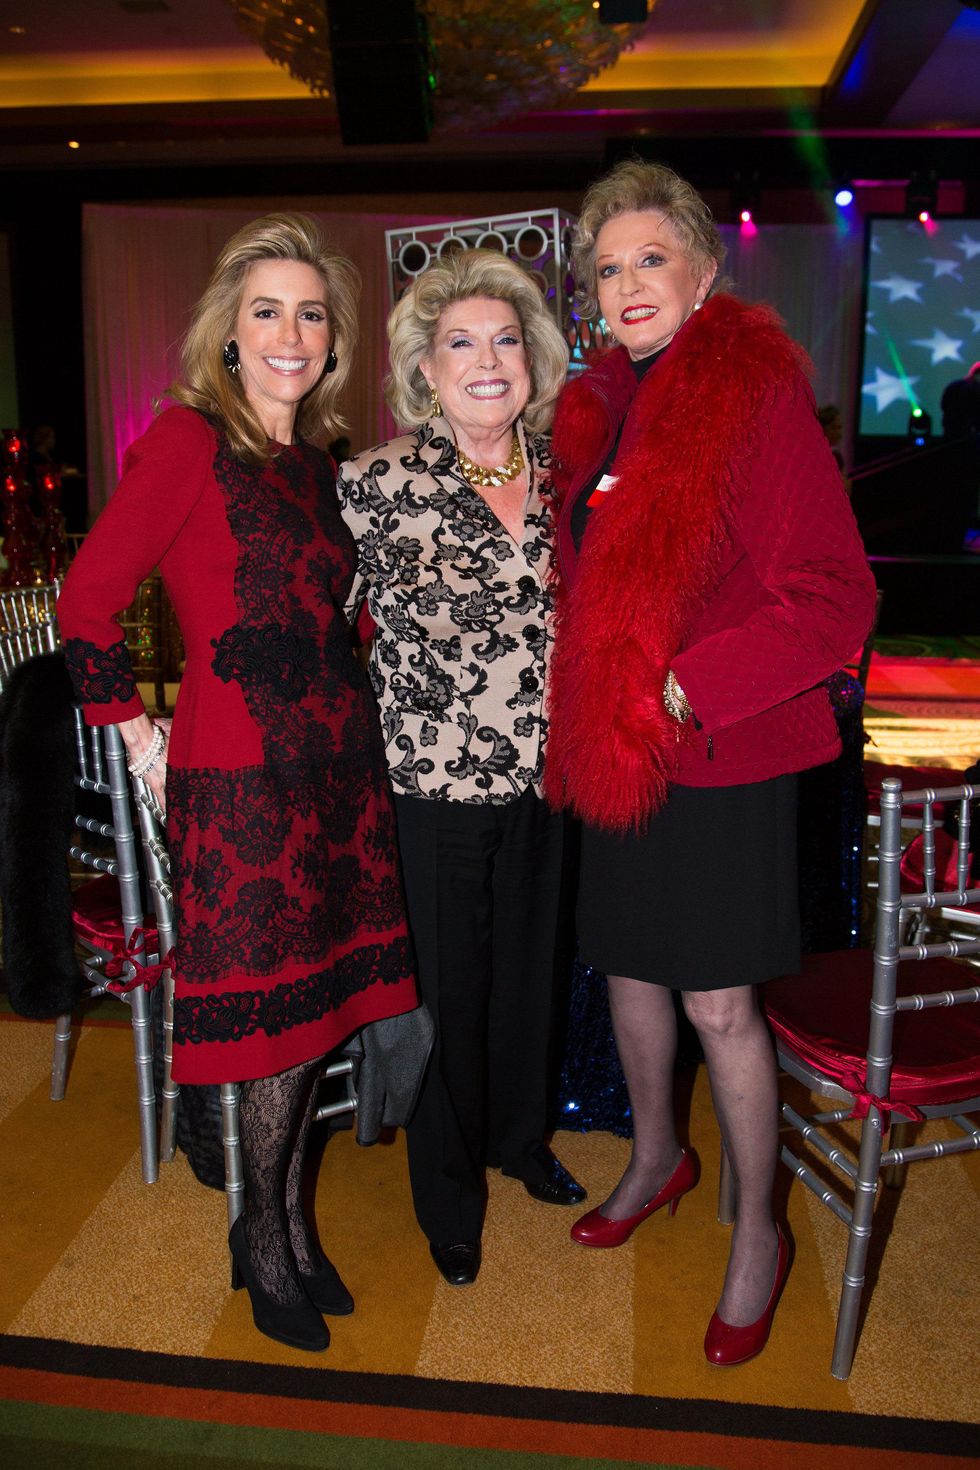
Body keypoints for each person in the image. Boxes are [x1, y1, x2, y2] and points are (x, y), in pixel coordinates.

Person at [56, 213, 418, 1352]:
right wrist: (136, 730)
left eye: (310, 313)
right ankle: (260, 1233)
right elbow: (86, 605)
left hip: (339, 772)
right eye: (266, 310)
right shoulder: (183, 442)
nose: (291, 332)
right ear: (227, 331)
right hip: (242, 778)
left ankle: (290, 1225)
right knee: (272, 1029)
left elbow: (332, 609)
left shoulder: (318, 462)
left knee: (318, 1018)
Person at [544, 161, 876, 1366]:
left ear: (702, 268)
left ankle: (757, 1229)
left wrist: (687, 683)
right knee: (629, 966)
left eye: (648, 258)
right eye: (606, 265)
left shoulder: (749, 393)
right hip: (613, 748)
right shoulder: (601, 402)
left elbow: (835, 598)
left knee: (719, 1001)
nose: (625, 283)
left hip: (719, 749)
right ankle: (652, 1156)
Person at [337, 249, 582, 1288]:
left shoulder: (570, 479)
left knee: (531, 976)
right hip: (428, 788)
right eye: (459, 344)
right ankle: (448, 1195)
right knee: (444, 996)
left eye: (504, 340)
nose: (488, 361)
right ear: (424, 370)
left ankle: (518, 1140)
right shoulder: (375, 485)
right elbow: (297, 611)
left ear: (532, 359)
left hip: (548, 782)